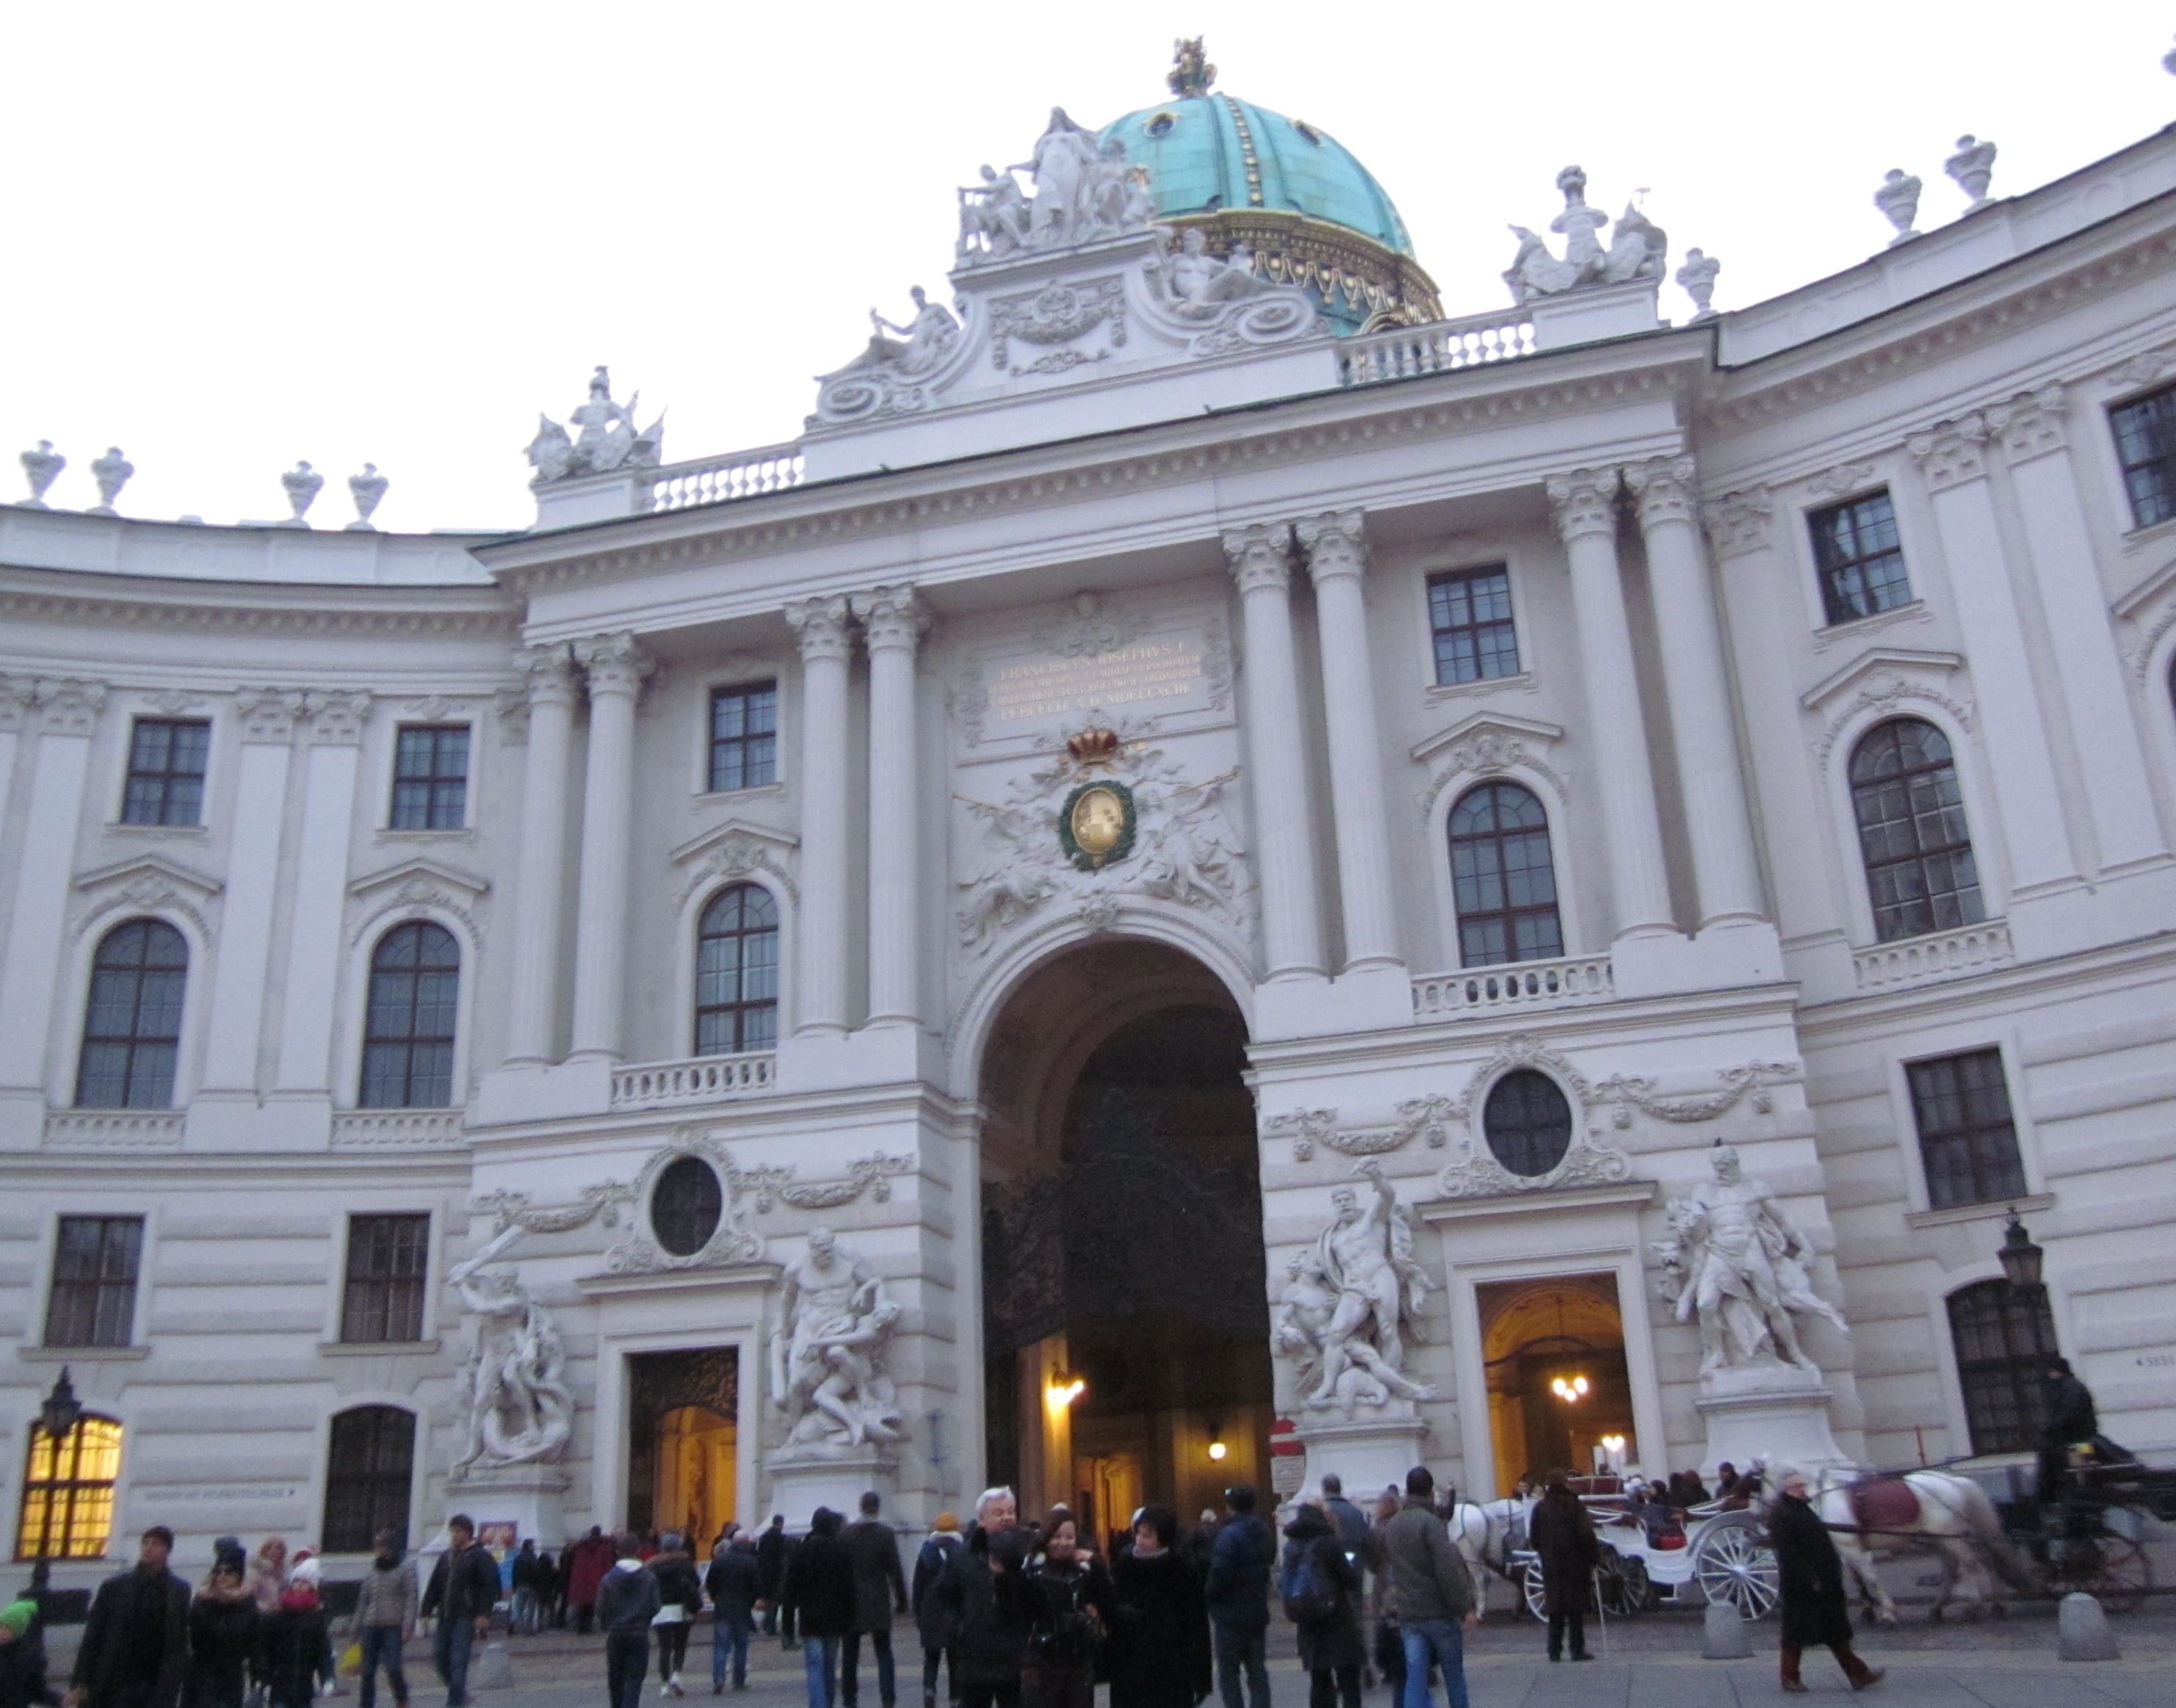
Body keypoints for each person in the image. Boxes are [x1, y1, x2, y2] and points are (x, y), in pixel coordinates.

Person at [1768, 1472, 1883, 1694]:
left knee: (1835, 1631)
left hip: (1823, 1582)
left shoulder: (1800, 1507)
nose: (1803, 1489)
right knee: (1796, 1633)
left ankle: (1857, 1673)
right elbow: (1790, 1554)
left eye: (1803, 1485)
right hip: (1803, 1585)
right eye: (1798, 1486)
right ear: (1787, 1489)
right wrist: (1810, 1579)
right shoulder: (1783, 1513)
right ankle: (1789, 1677)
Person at [1381, 1469, 1475, 1708]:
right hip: (1438, 1612)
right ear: (1430, 1491)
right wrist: (1465, 1607)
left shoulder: (1393, 1525)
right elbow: (1446, 1571)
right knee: (1454, 1676)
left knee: (1416, 1677)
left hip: (1409, 1614)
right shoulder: (1430, 1523)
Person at [68, 1526, 189, 1708]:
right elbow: (93, 1636)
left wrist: (173, 1681)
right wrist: (80, 1682)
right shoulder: (115, 1587)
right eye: (145, 1543)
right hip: (115, 1679)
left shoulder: (179, 1590)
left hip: (155, 1681)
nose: (148, 1548)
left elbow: (178, 1639)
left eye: (156, 1544)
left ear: (167, 1551)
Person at [1105, 1508, 1208, 1708]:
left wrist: (1200, 1677)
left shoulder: (1181, 1567)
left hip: (1171, 1663)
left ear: (1164, 1537)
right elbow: (1111, 1602)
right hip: (1130, 1662)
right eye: (1138, 1534)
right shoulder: (1126, 1562)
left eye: (1148, 1535)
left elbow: (1196, 1623)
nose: (1140, 1541)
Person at [1022, 1512, 1113, 1708]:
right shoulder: (1031, 1571)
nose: (1063, 1543)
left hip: (1078, 1659)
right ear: (1046, 1538)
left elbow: (1109, 1600)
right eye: (1056, 1537)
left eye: (1069, 1537)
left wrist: (1097, 1563)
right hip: (1040, 1660)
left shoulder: (1085, 1570)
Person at [936, 1520, 1028, 1708]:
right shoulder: (962, 1555)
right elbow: (944, 1597)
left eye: (1009, 1511)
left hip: (1014, 1659)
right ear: (982, 1518)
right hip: (974, 1660)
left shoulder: (1024, 1558)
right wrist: (958, 1629)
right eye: (998, 1513)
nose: (1005, 1518)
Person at [1279, 1502, 1362, 1708]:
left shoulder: (1291, 1546)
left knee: (1320, 1680)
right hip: (1337, 1619)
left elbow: (1284, 1582)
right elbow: (1350, 1580)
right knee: (1349, 1680)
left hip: (1307, 1621)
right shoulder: (1329, 1542)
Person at [1203, 1485, 1273, 1708]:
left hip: (1230, 1614)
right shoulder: (1264, 1531)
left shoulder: (1228, 1535)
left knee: (1229, 1672)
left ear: (1230, 1507)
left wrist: (1210, 1597)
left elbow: (1219, 1572)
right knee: (1257, 1670)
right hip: (1257, 1610)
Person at [419, 1516, 499, 1708]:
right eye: (453, 1531)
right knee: (439, 1657)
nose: (455, 1535)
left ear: (468, 1533)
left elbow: (489, 1586)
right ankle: (459, 1693)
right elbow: (435, 1584)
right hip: (446, 1615)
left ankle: (454, 1702)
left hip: (466, 1615)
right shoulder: (447, 1556)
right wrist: (426, 1609)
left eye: (459, 1531)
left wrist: (483, 1614)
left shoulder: (479, 1556)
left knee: (458, 1659)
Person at [781, 1510, 856, 1708]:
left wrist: (788, 1627)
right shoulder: (840, 1552)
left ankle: (818, 1705)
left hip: (810, 1618)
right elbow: (849, 1589)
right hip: (834, 1619)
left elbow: (789, 1593)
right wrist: (850, 1620)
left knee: (814, 1665)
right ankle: (827, 1703)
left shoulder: (802, 1552)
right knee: (829, 1666)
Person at [842, 1494, 908, 1708]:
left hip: (851, 1600)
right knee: (884, 1652)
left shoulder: (845, 1534)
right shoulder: (885, 1534)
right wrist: (901, 1599)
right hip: (877, 1599)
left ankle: (849, 1698)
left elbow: (840, 1571)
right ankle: (888, 1699)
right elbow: (895, 1570)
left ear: (861, 1507)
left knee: (850, 1655)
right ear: (877, 1509)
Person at [1526, 1472, 1597, 1664]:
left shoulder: (1540, 1508)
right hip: (1575, 1563)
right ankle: (1577, 1648)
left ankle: (1554, 1650)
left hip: (1552, 1565)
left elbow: (1534, 1537)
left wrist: (1545, 1553)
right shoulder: (1575, 1506)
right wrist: (1593, 1558)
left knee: (1555, 1608)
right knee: (1575, 1610)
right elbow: (1586, 1535)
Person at [345, 1530, 415, 1708]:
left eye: (381, 1545)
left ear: (390, 1547)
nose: (377, 1549)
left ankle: (402, 1699)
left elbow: (410, 1599)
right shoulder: (372, 1570)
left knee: (393, 1667)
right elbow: (363, 1602)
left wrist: (408, 1626)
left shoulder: (404, 1569)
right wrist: (354, 1629)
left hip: (393, 1626)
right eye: (376, 1545)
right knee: (367, 1671)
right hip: (370, 1626)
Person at [181, 1545, 258, 1708]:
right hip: (201, 1674)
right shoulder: (202, 1600)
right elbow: (196, 1635)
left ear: (239, 1576)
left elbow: (251, 1641)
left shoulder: (247, 1603)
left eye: (229, 1572)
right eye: (218, 1571)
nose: (222, 1576)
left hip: (231, 1676)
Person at [598, 1536, 662, 1708]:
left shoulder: (608, 1579)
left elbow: (601, 1609)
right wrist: (645, 1618)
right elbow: (656, 1606)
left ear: (618, 1551)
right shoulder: (648, 1578)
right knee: (634, 1680)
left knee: (615, 1679)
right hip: (639, 1633)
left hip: (617, 1633)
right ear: (638, 1551)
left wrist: (608, 1624)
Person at [908, 1513, 964, 1708]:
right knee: (954, 1658)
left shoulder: (926, 1551)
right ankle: (955, 1697)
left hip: (930, 1610)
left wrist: (917, 1611)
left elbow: (918, 1585)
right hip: (953, 1610)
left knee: (931, 1657)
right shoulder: (961, 1551)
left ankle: (929, 1690)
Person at [258, 1561, 326, 1708]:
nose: (300, 1585)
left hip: (304, 1686)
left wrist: (327, 1677)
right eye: (297, 1581)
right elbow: (264, 1649)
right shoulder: (277, 1617)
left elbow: (323, 1651)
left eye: (305, 1582)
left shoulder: (315, 1619)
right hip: (279, 1685)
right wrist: (265, 1679)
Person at [706, 1531, 762, 1694]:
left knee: (721, 1647)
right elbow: (757, 1587)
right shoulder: (750, 1561)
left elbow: (710, 1583)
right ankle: (738, 1680)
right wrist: (751, 1601)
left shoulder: (719, 1560)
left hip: (723, 1608)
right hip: (742, 1609)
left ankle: (719, 1678)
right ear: (745, 1543)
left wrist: (717, 1598)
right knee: (741, 1646)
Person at [2039, 1356, 2100, 1502]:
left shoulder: (2069, 1388)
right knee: (2082, 1467)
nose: (2049, 1375)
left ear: (2057, 1371)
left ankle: (2077, 1495)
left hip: (2076, 1441)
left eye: (2051, 1371)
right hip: (2083, 1438)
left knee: (2078, 1470)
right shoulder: (2073, 1386)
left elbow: (2069, 1414)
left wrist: (2050, 1427)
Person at [650, 1533, 703, 1698]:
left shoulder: (653, 1566)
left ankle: (664, 1684)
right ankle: (676, 1675)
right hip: (682, 1608)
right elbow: (696, 1582)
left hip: (660, 1610)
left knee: (664, 1648)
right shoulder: (685, 1564)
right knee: (680, 1645)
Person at [1, 1598, 58, 1708]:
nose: (2, 1632)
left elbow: (37, 1691)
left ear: (19, 1631)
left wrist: (61, 1700)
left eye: (8, 1627)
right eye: (1, 1626)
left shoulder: (30, 1659)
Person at [568, 1528, 613, 1638]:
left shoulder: (581, 1548)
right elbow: (607, 1565)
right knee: (591, 1608)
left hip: (582, 1582)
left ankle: (581, 1628)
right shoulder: (604, 1547)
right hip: (596, 1581)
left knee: (582, 1607)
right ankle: (588, 1627)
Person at [756, 1519, 792, 1643]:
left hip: (764, 1573)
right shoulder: (781, 1538)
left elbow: (759, 1554)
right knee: (774, 1601)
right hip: (776, 1574)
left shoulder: (764, 1537)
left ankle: (767, 1625)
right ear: (781, 1523)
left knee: (768, 1600)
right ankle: (769, 1626)